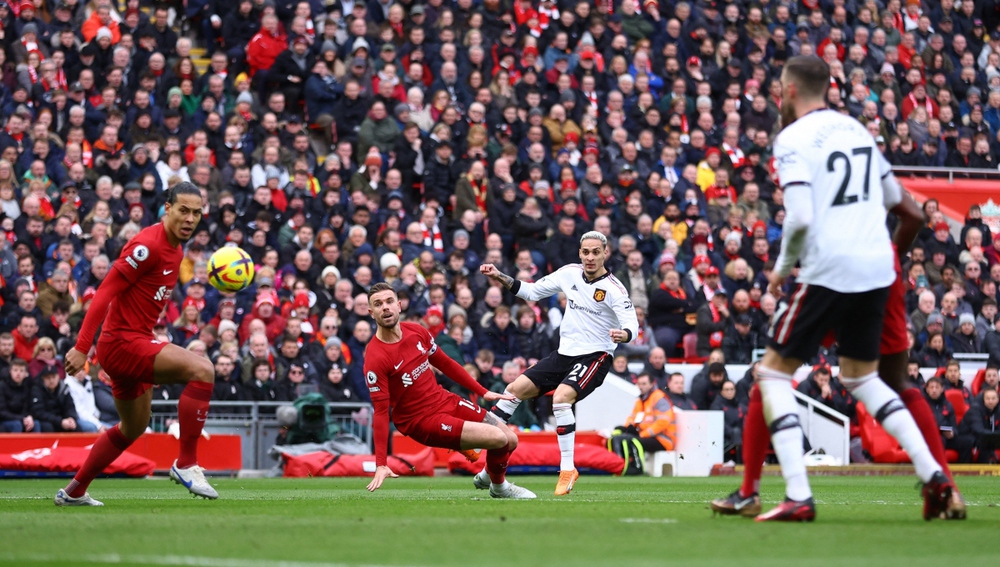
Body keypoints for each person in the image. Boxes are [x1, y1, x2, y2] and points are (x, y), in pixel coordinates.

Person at [716, 56, 948, 522]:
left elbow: (800, 217)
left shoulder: (792, 139)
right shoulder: (857, 130)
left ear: (788, 91)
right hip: (879, 268)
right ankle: (934, 475)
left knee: (772, 374)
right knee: (863, 378)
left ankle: (797, 494)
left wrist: (782, 268)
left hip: (830, 267)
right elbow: (893, 200)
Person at [55, 183, 219, 506]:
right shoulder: (147, 245)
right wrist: (82, 346)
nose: (190, 218)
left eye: (196, 213)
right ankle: (186, 463)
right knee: (203, 370)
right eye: (183, 210)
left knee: (133, 427)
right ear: (167, 208)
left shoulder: (178, 248)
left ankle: (74, 491)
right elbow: (104, 292)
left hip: (134, 341)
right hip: (122, 344)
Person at [478, 230, 638, 495]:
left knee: (561, 398)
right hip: (564, 354)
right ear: (579, 252)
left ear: (605, 254)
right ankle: (483, 451)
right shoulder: (569, 273)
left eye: (596, 252)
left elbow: (632, 323)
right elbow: (530, 292)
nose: (590, 257)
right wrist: (499, 276)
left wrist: (625, 334)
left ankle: (567, 468)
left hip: (595, 356)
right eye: (585, 252)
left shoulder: (614, 289)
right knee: (514, 390)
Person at [362, 283, 534, 499]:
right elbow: (379, 412)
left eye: (389, 302)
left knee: (512, 439)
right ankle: (499, 488)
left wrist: (482, 391)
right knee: (499, 438)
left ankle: (486, 475)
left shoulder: (416, 331)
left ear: (398, 305)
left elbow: (446, 363)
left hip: (444, 400)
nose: (385, 308)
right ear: (371, 313)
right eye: (378, 304)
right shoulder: (376, 357)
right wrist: (381, 463)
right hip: (420, 420)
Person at [611, 373, 676, 455]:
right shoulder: (641, 399)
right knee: (619, 431)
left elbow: (663, 422)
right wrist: (629, 426)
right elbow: (632, 416)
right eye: (639, 384)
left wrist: (642, 434)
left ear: (652, 384)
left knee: (631, 441)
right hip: (647, 435)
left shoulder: (659, 398)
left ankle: (634, 466)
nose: (641, 386)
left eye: (644, 384)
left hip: (663, 439)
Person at [958, 388, 1000, 463]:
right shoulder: (975, 409)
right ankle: (984, 469)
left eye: (993, 398)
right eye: (988, 399)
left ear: (997, 400)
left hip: (985, 437)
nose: (990, 401)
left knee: (988, 440)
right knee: (987, 442)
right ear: (983, 399)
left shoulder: (997, 411)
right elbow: (978, 430)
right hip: (968, 437)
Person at [0, 359, 39, 432]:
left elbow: (30, 407)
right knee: (17, 425)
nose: (18, 373)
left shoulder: (27, 387)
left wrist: (30, 417)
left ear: (26, 374)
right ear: (10, 372)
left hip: (21, 419)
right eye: (15, 370)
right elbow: (2, 411)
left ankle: (36, 444)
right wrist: (22, 418)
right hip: (4, 420)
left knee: (35, 423)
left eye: (21, 371)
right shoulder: (2, 386)